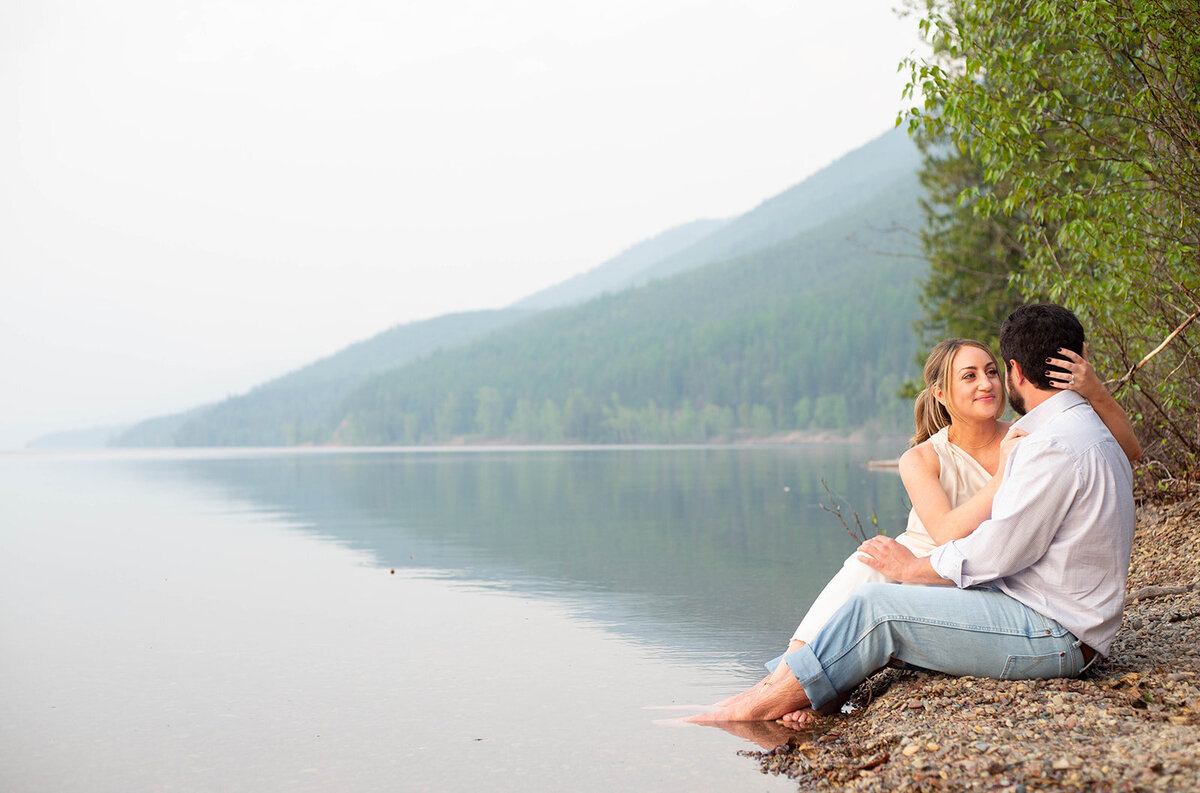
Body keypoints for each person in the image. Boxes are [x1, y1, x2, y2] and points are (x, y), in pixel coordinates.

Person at [691, 304, 1138, 723]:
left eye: (991, 372)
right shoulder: (1079, 429)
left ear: (1013, 372)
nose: (987, 383)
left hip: (1055, 634)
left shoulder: (1046, 444)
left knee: (878, 610)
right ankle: (789, 690)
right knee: (868, 582)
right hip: (1055, 617)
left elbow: (998, 554)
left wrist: (913, 570)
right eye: (970, 376)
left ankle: (744, 712)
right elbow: (1003, 547)